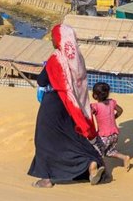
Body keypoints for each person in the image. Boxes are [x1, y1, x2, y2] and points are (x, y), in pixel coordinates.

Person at [28, 24, 105, 189]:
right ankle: (90, 163)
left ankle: (47, 179)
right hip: (73, 107)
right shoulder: (78, 58)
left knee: (44, 140)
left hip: (54, 104)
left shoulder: (56, 58)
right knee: (71, 138)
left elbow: (42, 80)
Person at [91, 82, 131, 170]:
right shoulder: (112, 102)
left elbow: (89, 113)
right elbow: (120, 110)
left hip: (103, 136)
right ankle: (125, 157)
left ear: (95, 95)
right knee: (109, 151)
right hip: (114, 134)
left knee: (96, 151)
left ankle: (101, 169)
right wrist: (113, 118)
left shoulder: (95, 106)